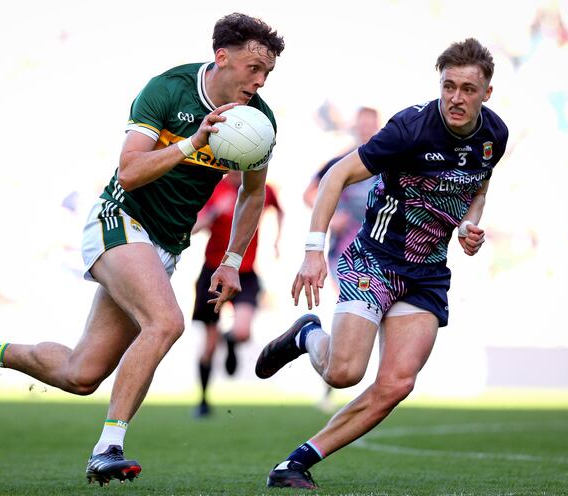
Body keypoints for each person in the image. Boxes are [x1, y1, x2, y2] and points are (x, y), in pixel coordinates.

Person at [0, 13, 284, 486]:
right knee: (166, 323)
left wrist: (231, 261)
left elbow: (252, 194)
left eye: (268, 73)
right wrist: (192, 142)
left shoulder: (259, 121)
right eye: (253, 68)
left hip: (165, 246)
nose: (260, 80)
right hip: (119, 220)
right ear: (222, 57)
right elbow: (129, 172)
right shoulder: (167, 90)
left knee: (82, 374)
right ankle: (108, 448)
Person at [255, 38, 508, 489]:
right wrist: (313, 251)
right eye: (448, 86)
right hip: (374, 259)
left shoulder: (495, 135)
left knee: (396, 384)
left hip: (427, 272)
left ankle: (293, 464)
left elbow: (479, 189)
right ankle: (308, 334)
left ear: (486, 93)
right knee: (344, 372)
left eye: (468, 89)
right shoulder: (410, 129)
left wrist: (470, 224)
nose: (456, 97)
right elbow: (336, 175)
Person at [303, 106, 380, 413]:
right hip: (347, 252)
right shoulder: (344, 161)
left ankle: (372, 386)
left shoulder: (389, 160)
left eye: (371, 126)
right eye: (361, 126)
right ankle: (331, 379)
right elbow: (310, 193)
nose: (366, 131)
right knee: (351, 307)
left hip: (381, 252)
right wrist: (331, 217)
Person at [191, 170, 283, 417]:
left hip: (245, 272)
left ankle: (230, 342)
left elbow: (279, 210)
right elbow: (194, 227)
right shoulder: (214, 189)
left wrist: (276, 241)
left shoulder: (261, 187)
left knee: (242, 331)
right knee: (209, 344)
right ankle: (203, 399)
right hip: (213, 272)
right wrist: (212, 213)